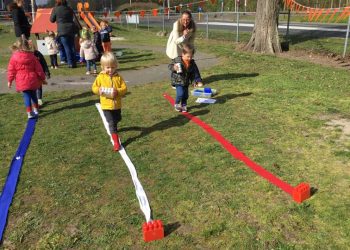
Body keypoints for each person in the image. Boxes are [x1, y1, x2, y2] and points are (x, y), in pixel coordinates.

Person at [92, 52, 127, 151]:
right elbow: (94, 87)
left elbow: (124, 88)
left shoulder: (118, 77)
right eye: (108, 67)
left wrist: (118, 91)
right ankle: (116, 142)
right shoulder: (100, 77)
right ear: (103, 67)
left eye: (112, 67)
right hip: (106, 105)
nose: (110, 70)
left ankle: (115, 125)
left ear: (116, 66)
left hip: (117, 105)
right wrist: (98, 90)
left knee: (117, 118)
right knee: (111, 123)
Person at [7, 38, 46, 119]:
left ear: (17, 46)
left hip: (21, 80)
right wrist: (42, 78)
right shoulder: (32, 56)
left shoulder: (14, 57)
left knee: (26, 96)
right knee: (34, 95)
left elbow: (11, 70)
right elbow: (39, 69)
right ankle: (36, 109)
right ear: (28, 46)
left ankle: (29, 112)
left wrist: (9, 80)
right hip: (32, 79)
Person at [166, 10, 203, 88]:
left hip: (185, 46)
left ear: (191, 19)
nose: (185, 21)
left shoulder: (193, 26)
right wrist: (184, 36)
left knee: (191, 62)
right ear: (181, 18)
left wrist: (191, 51)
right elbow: (176, 41)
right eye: (183, 19)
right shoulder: (176, 24)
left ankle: (197, 80)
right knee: (177, 64)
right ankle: (175, 83)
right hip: (175, 47)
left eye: (188, 19)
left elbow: (191, 41)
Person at [168, 44, 202, 113]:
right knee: (180, 93)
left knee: (185, 95)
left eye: (191, 56)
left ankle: (184, 105)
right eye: (188, 56)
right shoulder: (177, 60)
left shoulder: (192, 63)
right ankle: (177, 104)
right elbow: (170, 66)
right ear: (183, 54)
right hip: (178, 81)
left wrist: (197, 80)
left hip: (186, 81)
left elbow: (195, 72)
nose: (190, 58)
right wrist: (174, 68)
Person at [50, 0, 78, 68]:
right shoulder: (69, 8)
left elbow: (52, 20)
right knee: (72, 46)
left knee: (67, 47)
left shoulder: (55, 9)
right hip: (71, 28)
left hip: (62, 29)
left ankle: (70, 63)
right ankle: (74, 62)